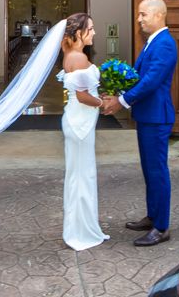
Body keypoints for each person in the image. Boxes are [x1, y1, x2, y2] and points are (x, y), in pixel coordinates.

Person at [102, 0, 177, 247]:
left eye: (143, 14)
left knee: (157, 171)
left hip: (157, 117)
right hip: (147, 115)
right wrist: (116, 91)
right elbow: (137, 78)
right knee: (149, 170)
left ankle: (161, 227)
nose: (139, 19)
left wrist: (122, 102)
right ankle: (152, 216)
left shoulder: (164, 44)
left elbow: (151, 82)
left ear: (158, 15)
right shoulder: (151, 43)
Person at [56, 13, 110, 251]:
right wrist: (103, 104)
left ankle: (80, 228)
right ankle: (81, 233)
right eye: (91, 28)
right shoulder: (78, 58)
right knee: (82, 177)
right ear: (79, 33)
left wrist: (99, 98)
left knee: (79, 176)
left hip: (77, 121)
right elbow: (82, 95)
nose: (95, 33)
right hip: (80, 125)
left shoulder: (71, 55)